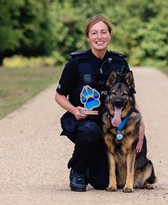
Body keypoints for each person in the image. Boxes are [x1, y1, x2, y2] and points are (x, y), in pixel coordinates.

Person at [55, 15, 145, 192]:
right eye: (94, 33)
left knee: (101, 183)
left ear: (110, 35)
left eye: (103, 32)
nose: (99, 37)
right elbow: (59, 96)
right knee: (91, 131)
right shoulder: (75, 64)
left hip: (111, 125)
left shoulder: (120, 63)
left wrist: (140, 122)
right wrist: (74, 110)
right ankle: (78, 170)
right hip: (84, 122)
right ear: (88, 36)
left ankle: (91, 164)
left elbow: (131, 95)